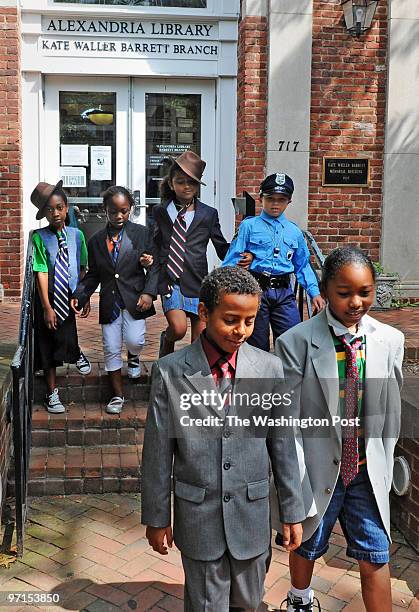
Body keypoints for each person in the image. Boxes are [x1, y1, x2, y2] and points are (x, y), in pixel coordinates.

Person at [141, 266, 306, 611]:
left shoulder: (269, 369)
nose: (241, 331)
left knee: (249, 601)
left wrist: (292, 510)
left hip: (252, 514)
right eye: (231, 319)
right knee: (205, 605)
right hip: (199, 515)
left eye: (250, 321)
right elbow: (157, 451)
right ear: (204, 312)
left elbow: (283, 445)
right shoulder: (170, 371)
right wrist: (157, 517)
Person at [273, 246, 404, 612]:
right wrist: (293, 485)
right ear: (325, 289)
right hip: (315, 469)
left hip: (364, 469)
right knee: (306, 541)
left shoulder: (390, 341)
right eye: (344, 293)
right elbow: (288, 420)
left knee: (376, 552)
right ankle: (299, 600)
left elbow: (390, 411)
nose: (356, 302)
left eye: (365, 292)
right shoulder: (295, 343)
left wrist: (384, 461)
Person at [152, 150, 252, 357]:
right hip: (171, 279)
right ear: (171, 184)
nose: (186, 186)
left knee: (199, 340)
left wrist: (241, 250)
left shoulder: (208, 213)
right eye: (180, 182)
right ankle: (167, 341)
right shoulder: (161, 212)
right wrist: (148, 262)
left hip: (198, 281)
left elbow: (221, 248)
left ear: (198, 186)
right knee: (178, 329)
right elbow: (154, 244)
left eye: (192, 182)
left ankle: (192, 378)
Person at [72, 186, 159, 415]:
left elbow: (154, 266)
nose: (119, 216)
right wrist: (80, 296)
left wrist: (149, 292)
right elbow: (92, 275)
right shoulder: (96, 240)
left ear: (130, 209)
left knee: (135, 340)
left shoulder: (141, 233)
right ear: (105, 211)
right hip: (110, 301)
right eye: (113, 211)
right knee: (111, 347)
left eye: (124, 210)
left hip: (135, 298)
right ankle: (117, 395)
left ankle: (133, 356)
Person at [222, 172, 325, 351]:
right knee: (256, 343)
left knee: (292, 340)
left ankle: (287, 378)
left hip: (284, 294)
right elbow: (232, 259)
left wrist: (314, 292)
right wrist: (222, 289)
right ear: (261, 198)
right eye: (270, 198)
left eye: (281, 199)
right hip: (255, 291)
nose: (275, 204)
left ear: (289, 201)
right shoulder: (249, 226)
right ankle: (260, 378)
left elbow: (303, 266)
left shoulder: (294, 232)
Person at [30, 180, 91, 414]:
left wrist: (82, 295)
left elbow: (83, 266)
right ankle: (51, 393)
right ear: (43, 214)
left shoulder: (77, 235)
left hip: (70, 295)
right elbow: (41, 271)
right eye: (49, 210)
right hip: (49, 296)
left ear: (66, 208)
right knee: (47, 344)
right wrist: (46, 306)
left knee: (66, 332)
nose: (55, 213)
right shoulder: (39, 237)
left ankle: (75, 352)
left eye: (59, 207)